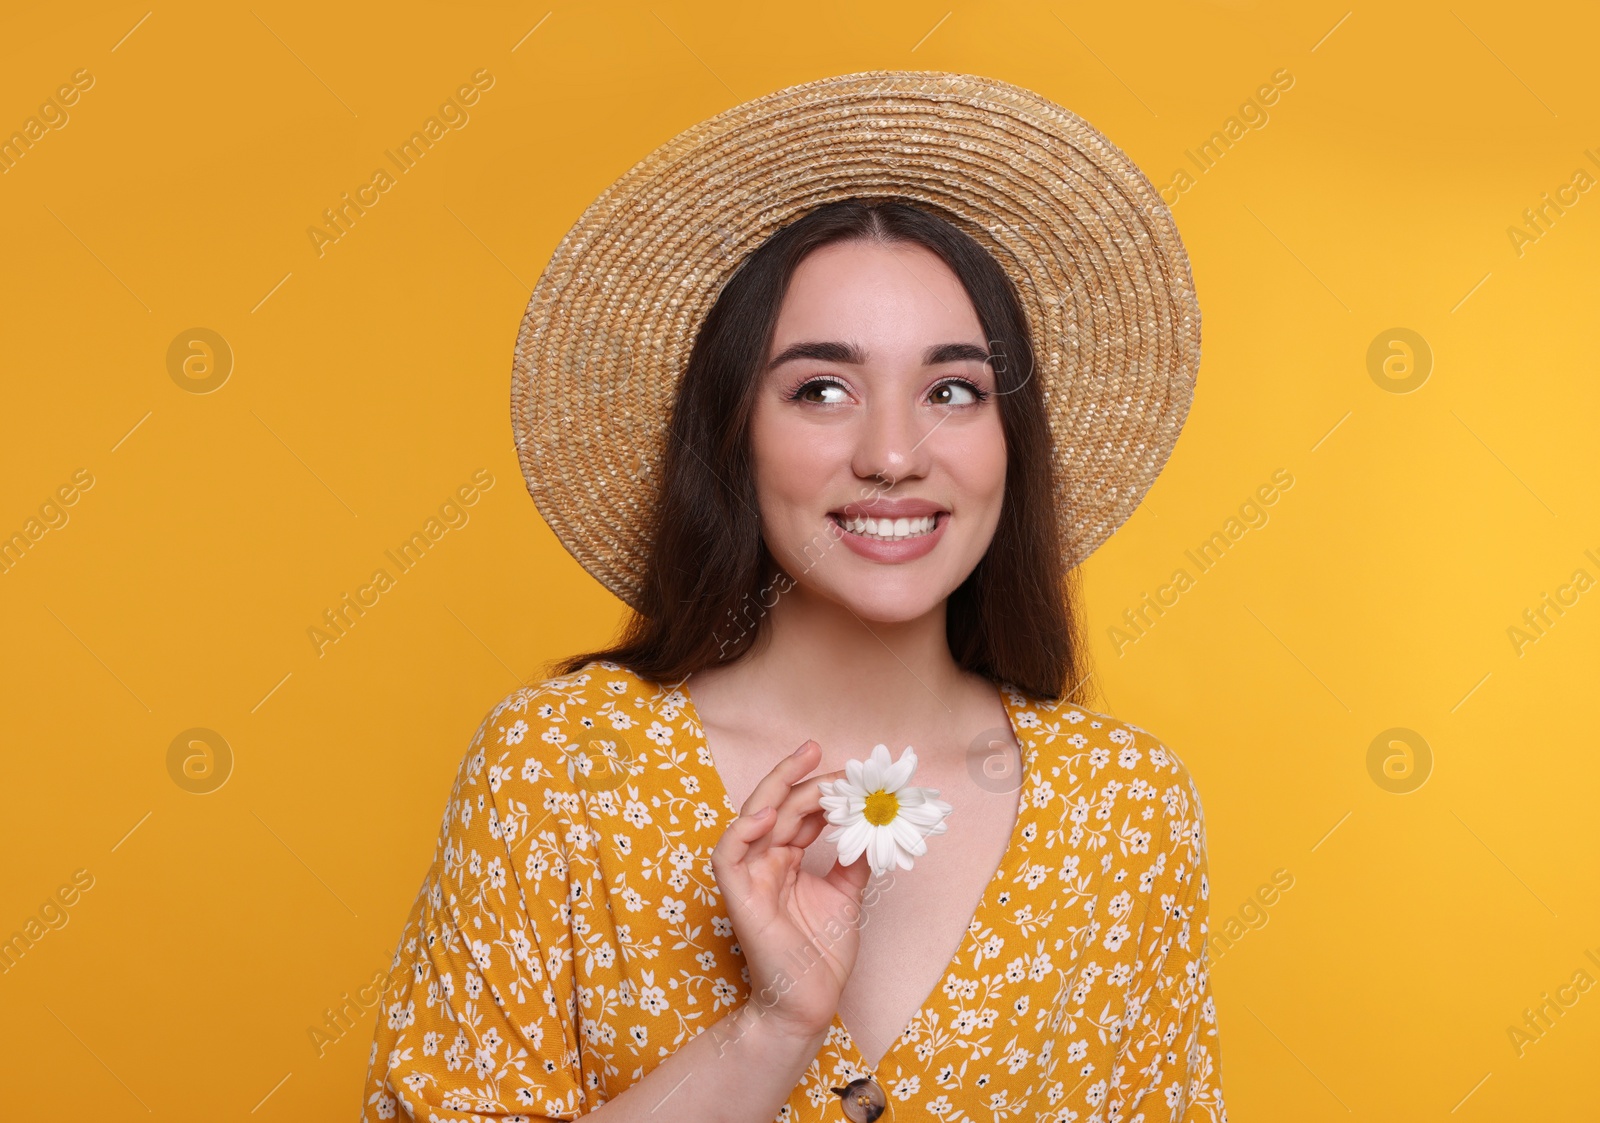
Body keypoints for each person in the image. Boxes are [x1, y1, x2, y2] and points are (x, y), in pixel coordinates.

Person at [362, 72, 1224, 1122]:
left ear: (1011, 441)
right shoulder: (562, 771)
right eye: (822, 389)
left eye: (952, 389)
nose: (893, 453)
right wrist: (768, 1028)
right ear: (733, 430)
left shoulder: (1125, 808)